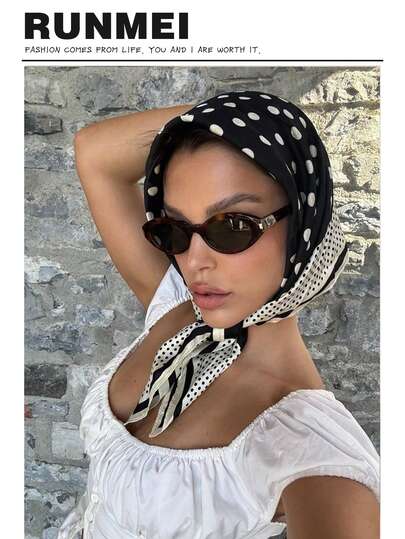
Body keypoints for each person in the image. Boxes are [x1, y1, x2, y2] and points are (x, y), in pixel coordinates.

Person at [58, 90, 380, 539]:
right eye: (174, 229)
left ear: (304, 221)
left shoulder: (306, 447)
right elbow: (94, 152)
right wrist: (229, 118)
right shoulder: (179, 308)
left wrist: (265, 126)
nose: (194, 262)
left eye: (232, 226)